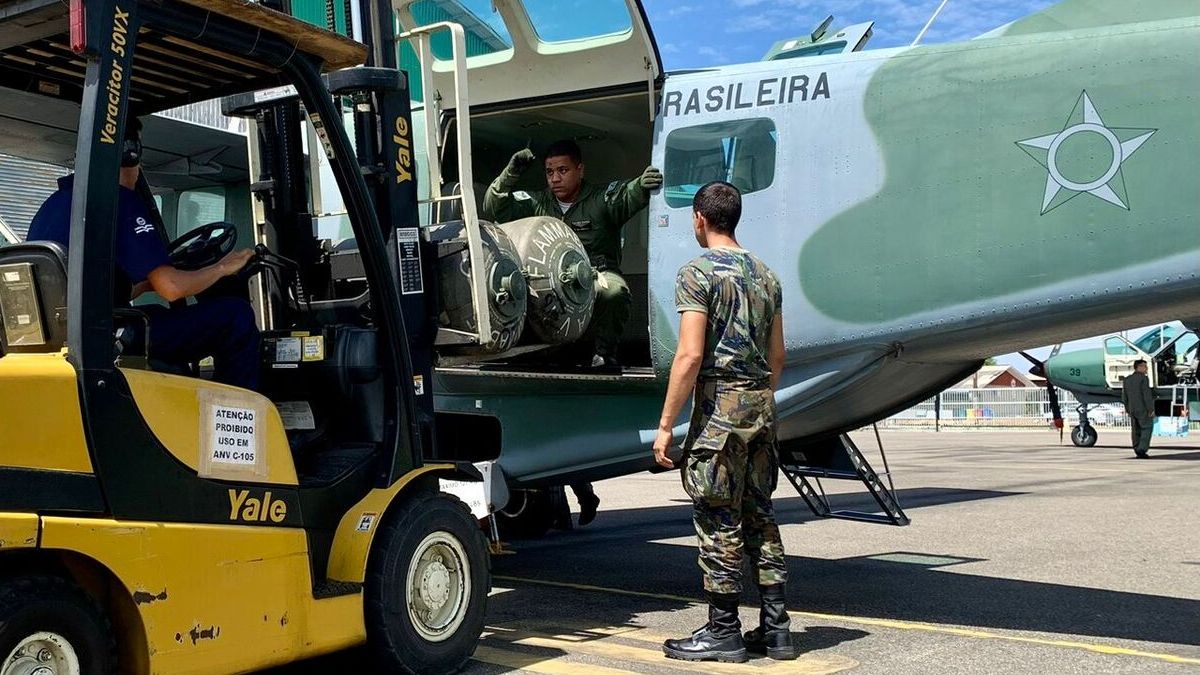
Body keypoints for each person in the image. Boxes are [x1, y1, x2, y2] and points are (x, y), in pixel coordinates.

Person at [653, 182, 793, 663]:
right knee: (760, 515)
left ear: (699, 219)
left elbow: (690, 355)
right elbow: (778, 355)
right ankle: (776, 631)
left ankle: (724, 631)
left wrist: (667, 424)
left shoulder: (697, 273)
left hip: (719, 416)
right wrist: (757, 399)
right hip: (761, 410)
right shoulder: (767, 276)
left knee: (719, 519)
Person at [27, 118, 261, 390]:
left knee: (155, 312)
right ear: (129, 154)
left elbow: (93, 287)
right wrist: (222, 268)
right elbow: (172, 288)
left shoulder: (54, 204)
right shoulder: (118, 201)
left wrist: (150, 280)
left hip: (75, 335)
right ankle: (237, 423)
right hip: (109, 337)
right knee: (235, 315)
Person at [482, 140, 663, 368]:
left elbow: (625, 195)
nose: (555, 178)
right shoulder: (536, 202)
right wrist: (511, 172)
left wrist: (641, 185)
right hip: (548, 279)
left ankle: (604, 355)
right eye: (549, 172)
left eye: (563, 170)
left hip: (595, 275)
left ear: (580, 170)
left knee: (614, 291)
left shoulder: (599, 199)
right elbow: (494, 207)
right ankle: (540, 353)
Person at [1121, 359, 1155, 458]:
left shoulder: (1127, 379)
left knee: (1135, 430)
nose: (1146, 368)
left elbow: (1124, 397)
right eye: (1145, 366)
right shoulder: (1143, 378)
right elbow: (1146, 395)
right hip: (1142, 408)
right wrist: (1150, 409)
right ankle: (1142, 449)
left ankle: (1136, 449)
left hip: (1132, 408)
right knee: (1146, 428)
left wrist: (1127, 408)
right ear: (1138, 367)